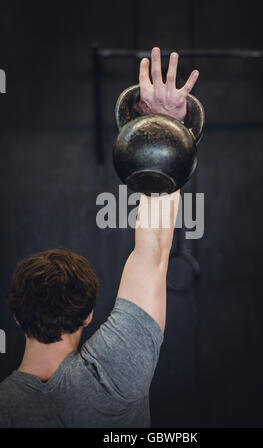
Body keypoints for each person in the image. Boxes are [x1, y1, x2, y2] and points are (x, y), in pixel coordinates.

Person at [0, 47, 199, 428]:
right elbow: (155, 247)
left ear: (17, 318)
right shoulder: (114, 375)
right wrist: (164, 127)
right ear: (89, 315)